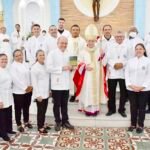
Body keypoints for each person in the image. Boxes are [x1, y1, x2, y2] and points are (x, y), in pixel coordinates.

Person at [46, 36, 74, 131]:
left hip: (66, 83)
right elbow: (48, 68)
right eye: (62, 43)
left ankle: (65, 121)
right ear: (57, 43)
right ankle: (58, 121)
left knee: (64, 104)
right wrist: (62, 68)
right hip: (56, 84)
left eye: (65, 43)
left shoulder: (70, 53)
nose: (64, 45)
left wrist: (72, 67)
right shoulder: (52, 53)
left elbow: (73, 66)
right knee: (57, 104)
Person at [75, 24, 100, 116]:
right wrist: (85, 66)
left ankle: (95, 110)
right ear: (87, 41)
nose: (91, 42)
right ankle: (87, 109)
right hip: (86, 75)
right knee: (87, 91)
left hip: (96, 75)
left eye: (93, 41)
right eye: (89, 41)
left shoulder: (98, 50)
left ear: (95, 41)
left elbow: (102, 62)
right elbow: (78, 62)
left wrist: (102, 55)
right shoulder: (82, 51)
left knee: (95, 91)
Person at [125, 43, 150, 133]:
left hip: (144, 89)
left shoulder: (148, 61)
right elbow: (126, 74)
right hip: (131, 89)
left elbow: (148, 76)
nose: (138, 50)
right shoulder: (130, 61)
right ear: (135, 51)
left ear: (144, 50)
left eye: (140, 49)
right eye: (137, 49)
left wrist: (141, 87)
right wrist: (130, 85)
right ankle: (133, 124)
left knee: (142, 107)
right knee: (133, 107)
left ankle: (140, 125)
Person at [104, 31, 128, 117]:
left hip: (123, 72)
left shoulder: (127, 46)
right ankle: (111, 109)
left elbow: (129, 58)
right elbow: (108, 58)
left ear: (123, 37)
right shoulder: (110, 46)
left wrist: (122, 64)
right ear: (115, 37)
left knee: (123, 93)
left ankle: (122, 109)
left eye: (121, 36)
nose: (119, 38)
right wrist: (114, 64)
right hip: (113, 72)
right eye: (117, 37)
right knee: (111, 92)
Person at [10, 49, 33, 132]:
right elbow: (15, 80)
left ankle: (26, 121)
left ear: (22, 55)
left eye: (20, 55)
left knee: (26, 107)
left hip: (28, 90)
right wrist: (25, 88)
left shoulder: (25, 64)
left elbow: (29, 76)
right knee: (18, 109)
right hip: (18, 92)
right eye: (16, 56)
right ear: (14, 57)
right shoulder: (13, 66)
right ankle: (19, 124)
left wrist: (30, 86)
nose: (19, 57)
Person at [31, 50, 50, 134]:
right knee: (40, 111)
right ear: (36, 57)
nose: (42, 56)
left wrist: (49, 90)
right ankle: (40, 127)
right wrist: (37, 95)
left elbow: (47, 79)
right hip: (39, 94)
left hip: (46, 92)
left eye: (43, 55)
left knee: (44, 110)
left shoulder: (45, 65)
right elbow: (34, 82)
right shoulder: (34, 68)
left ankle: (42, 124)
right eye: (40, 55)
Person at [67, 24, 86, 102]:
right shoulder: (67, 40)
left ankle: (79, 94)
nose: (75, 31)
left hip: (80, 63)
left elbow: (84, 52)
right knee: (71, 79)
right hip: (70, 63)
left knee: (79, 79)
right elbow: (66, 52)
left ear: (79, 31)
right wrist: (71, 64)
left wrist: (78, 63)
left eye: (77, 30)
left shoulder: (83, 41)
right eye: (73, 30)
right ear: (71, 31)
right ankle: (73, 94)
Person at [97, 24, 115, 104]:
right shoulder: (99, 40)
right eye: (105, 29)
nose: (107, 31)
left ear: (111, 30)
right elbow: (97, 52)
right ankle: (103, 96)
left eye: (109, 29)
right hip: (102, 64)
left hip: (112, 64)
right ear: (103, 31)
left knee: (111, 82)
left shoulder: (115, 40)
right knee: (103, 80)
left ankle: (110, 96)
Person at [0, 53, 16, 142]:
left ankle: (9, 129)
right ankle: (3, 134)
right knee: (1, 117)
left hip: (8, 96)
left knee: (8, 114)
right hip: (1, 96)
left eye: (5, 59)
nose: (4, 61)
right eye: (2, 59)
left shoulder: (6, 70)